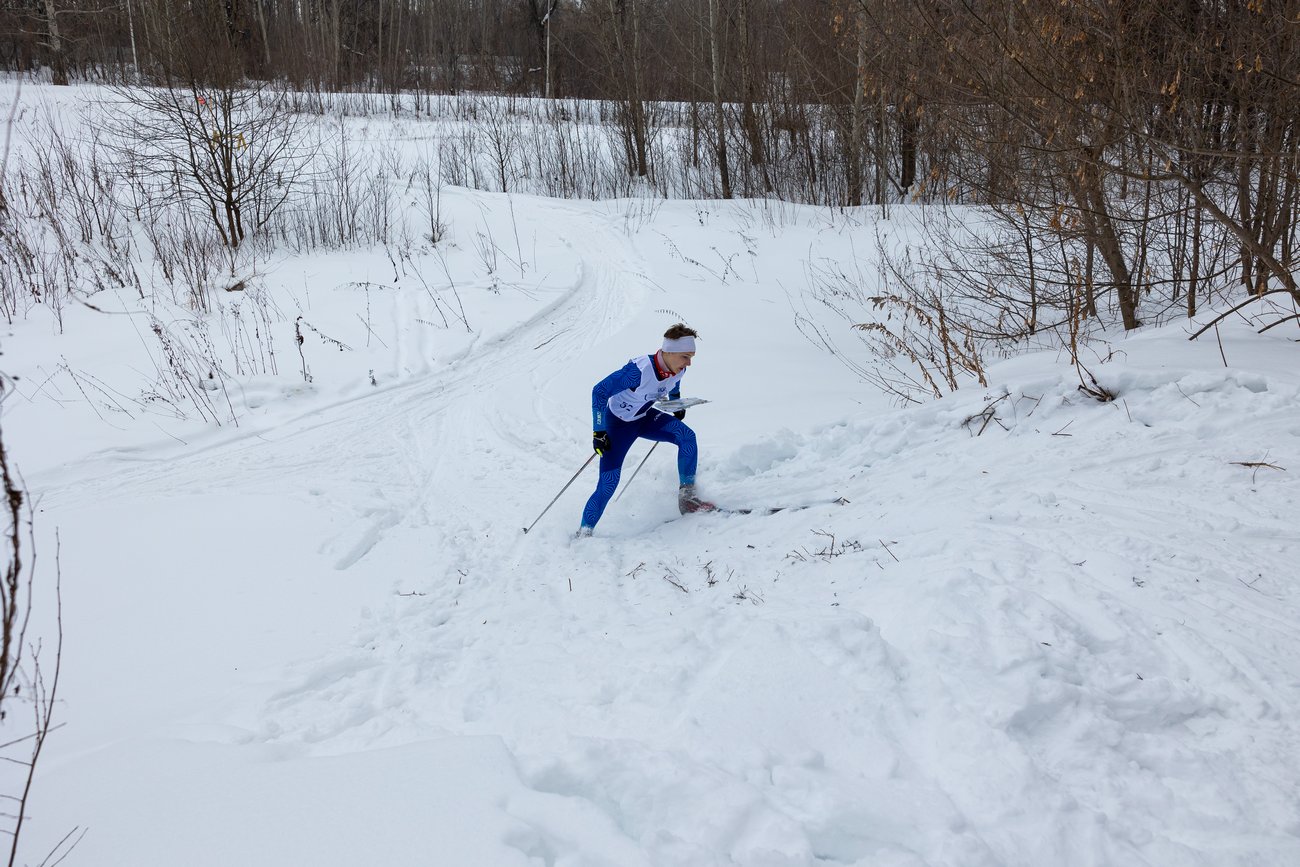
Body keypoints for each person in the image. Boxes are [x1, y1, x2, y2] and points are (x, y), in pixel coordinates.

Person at [577, 324, 715, 536]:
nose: (689, 363)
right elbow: (600, 391)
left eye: (691, 356)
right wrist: (598, 431)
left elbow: (674, 383)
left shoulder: (679, 368)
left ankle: (688, 499)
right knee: (608, 483)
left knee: (686, 437)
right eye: (686, 356)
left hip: (644, 418)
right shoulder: (638, 371)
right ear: (668, 352)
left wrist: (676, 403)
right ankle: (584, 533)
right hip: (618, 425)